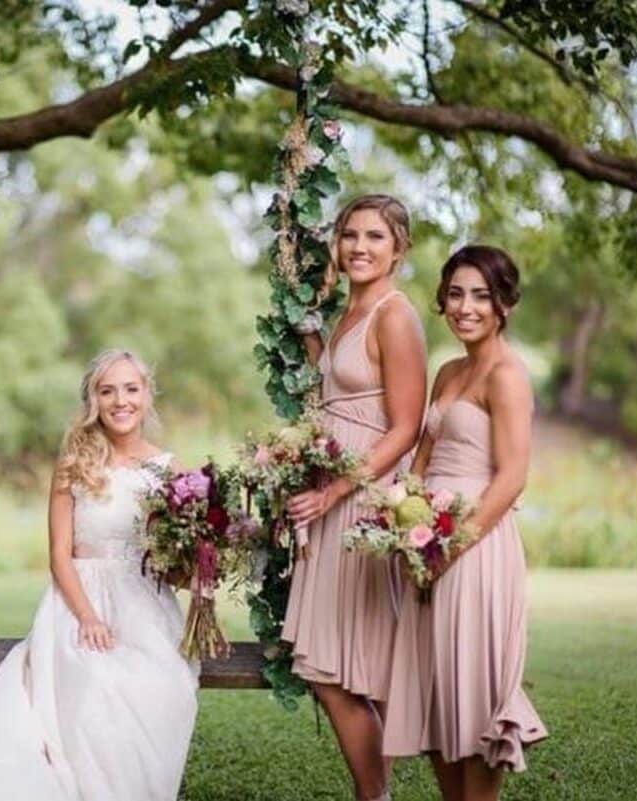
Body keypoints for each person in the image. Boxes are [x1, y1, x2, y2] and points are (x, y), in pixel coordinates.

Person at [0, 349, 199, 801]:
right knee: (93, 681)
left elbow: (177, 564)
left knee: (160, 686)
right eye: (107, 390)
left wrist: (196, 563)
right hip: (78, 597)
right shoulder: (74, 464)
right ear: (93, 399)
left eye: (131, 389)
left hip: (144, 601)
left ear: (147, 394)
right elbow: (58, 554)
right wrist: (88, 617)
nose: (120, 401)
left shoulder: (169, 470)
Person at [383, 245, 548, 801]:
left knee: (472, 694)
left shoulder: (507, 376)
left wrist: (447, 548)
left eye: (480, 295)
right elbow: (424, 458)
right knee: (436, 695)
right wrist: (403, 520)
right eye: (456, 294)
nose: (466, 307)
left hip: (473, 549)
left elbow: (512, 477)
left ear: (504, 303)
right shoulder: (448, 370)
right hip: (425, 543)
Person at [282, 194, 427, 801]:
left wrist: (338, 489)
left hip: (364, 497)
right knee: (332, 666)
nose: (359, 247)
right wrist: (311, 340)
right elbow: (339, 394)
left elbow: (405, 426)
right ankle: (377, 795)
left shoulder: (395, 315)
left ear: (399, 248)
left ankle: (387, 791)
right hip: (331, 492)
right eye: (350, 235)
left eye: (375, 237)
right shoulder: (347, 311)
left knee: (356, 660)